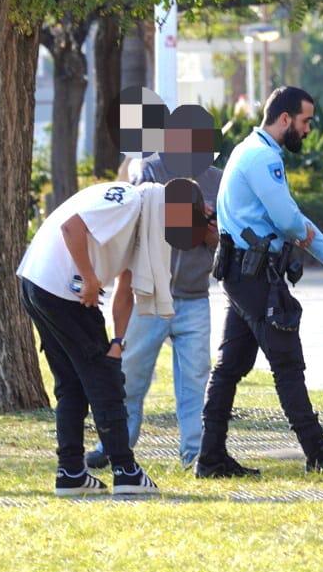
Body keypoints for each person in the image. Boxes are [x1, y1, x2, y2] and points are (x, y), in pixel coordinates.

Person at [199, 86, 323, 477]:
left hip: (243, 273)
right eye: (306, 121)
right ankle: (317, 453)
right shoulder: (263, 158)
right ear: (284, 119)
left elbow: (289, 218)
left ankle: (210, 456)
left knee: (231, 366)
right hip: (255, 275)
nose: (309, 129)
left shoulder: (249, 150)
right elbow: (289, 221)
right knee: (287, 362)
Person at [17, 178, 207, 496]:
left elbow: (126, 287)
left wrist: (118, 342)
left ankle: (71, 473)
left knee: (72, 383)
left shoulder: (144, 219)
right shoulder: (127, 201)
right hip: (64, 289)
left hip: (39, 284)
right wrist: (90, 278)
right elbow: (71, 228)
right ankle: (125, 469)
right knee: (104, 381)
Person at [85, 154, 222, 470]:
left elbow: (218, 240)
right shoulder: (151, 170)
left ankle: (195, 454)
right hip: (149, 295)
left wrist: (207, 225)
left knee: (195, 378)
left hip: (194, 297)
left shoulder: (217, 179)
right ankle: (113, 444)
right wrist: (184, 212)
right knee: (131, 377)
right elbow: (139, 216)